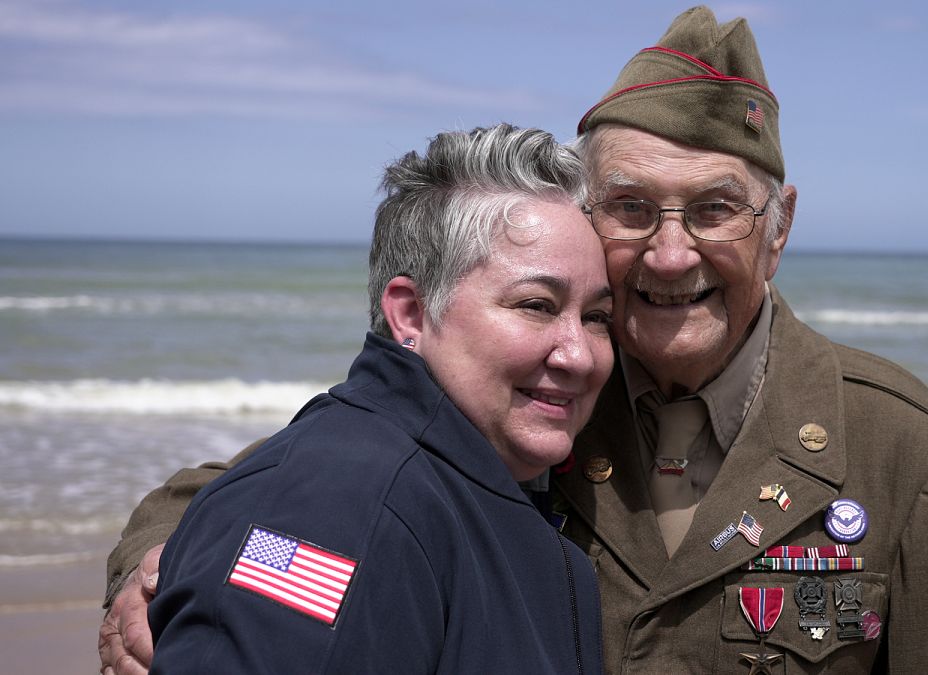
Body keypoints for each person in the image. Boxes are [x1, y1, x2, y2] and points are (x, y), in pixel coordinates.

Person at [101, 7, 928, 674]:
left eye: (716, 209)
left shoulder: (900, 450)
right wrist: (154, 570)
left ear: (780, 225)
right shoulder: (536, 396)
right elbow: (309, 474)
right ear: (583, 215)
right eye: (632, 207)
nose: (672, 250)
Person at [142, 124, 609, 673]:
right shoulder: (332, 508)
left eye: (597, 317)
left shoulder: (479, 485)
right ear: (410, 313)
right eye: (536, 305)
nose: (578, 355)